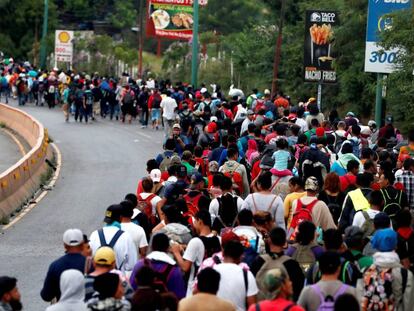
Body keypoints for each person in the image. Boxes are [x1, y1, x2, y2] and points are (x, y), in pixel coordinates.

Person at [356, 228, 414, 311]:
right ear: (396, 246)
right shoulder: (406, 274)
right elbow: (409, 306)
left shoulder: (364, 271)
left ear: (376, 246)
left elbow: (360, 302)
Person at [171, 210, 220, 296]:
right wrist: (187, 247)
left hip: (196, 287)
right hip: (215, 285)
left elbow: (185, 267)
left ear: (200, 221)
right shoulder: (219, 239)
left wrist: (176, 252)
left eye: (195, 222)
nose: (194, 225)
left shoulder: (195, 242)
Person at [251, 227, 305, 302]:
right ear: (284, 243)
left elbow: (251, 288)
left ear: (269, 241)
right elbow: (298, 289)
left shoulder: (258, 261)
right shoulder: (292, 264)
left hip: (262, 305)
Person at [130, 233, 186, 299]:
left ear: (152, 247)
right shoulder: (174, 270)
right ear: (168, 248)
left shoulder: (140, 264)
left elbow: (132, 289)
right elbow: (179, 295)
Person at [41, 228, 87, 302]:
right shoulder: (92, 264)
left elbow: (46, 296)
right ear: (82, 245)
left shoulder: (55, 266)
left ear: (65, 245)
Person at [89, 204, 138, 273]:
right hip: (117, 281)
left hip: (97, 280)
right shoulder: (126, 237)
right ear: (121, 217)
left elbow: (89, 259)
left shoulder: (94, 234)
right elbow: (132, 265)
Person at [214, 240, 258, 311]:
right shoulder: (246, 275)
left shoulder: (211, 271)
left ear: (223, 253)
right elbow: (252, 306)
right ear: (241, 256)